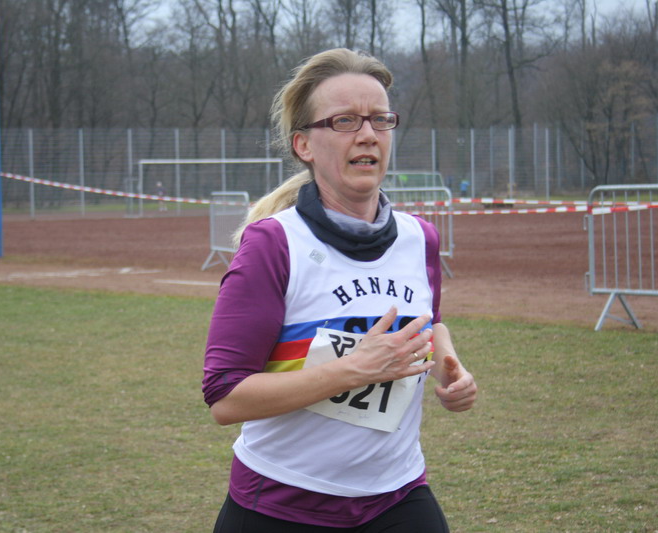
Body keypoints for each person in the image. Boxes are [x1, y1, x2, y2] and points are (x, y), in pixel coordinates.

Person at [202, 48, 477, 532]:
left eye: (380, 119)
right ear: (304, 145)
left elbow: (429, 324)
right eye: (345, 121)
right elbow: (226, 398)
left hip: (398, 495)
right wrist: (352, 370)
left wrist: (448, 367)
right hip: (281, 502)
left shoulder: (421, 238)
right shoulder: (273, 244)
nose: (368, 134)